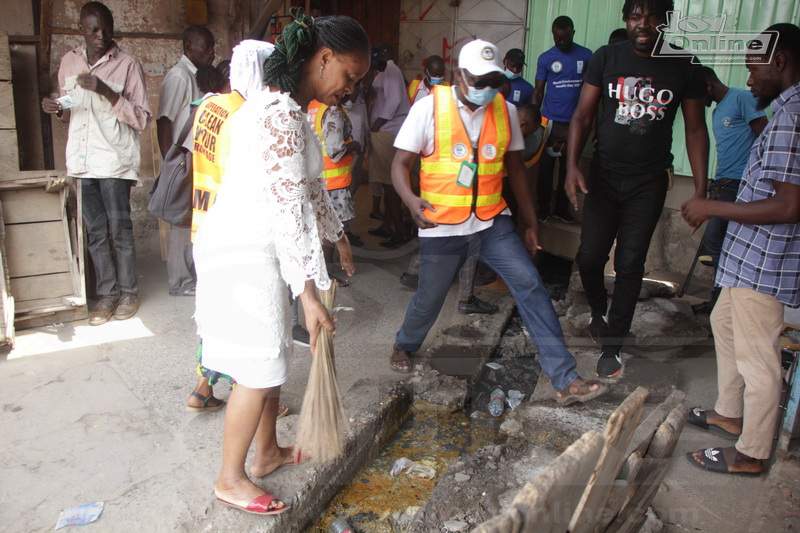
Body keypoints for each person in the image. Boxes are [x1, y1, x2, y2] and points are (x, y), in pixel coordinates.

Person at [192, 10, 367, 514]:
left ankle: (266, 453)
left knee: (271, 359)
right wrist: (308, 294)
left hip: (252, 246)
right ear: (325, 58)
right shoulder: (282, 116)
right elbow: (289, 210)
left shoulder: (285, 108)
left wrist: (339, 237)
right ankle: (230, 477)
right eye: (349, 76)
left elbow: (309, 191)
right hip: (245, 252)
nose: (350, 89)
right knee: (260, 365)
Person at [388, 39, 606, 405]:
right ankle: (404, 344)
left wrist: (531, 223)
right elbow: (399, 164)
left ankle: (564, 378)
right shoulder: (429, 108)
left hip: (491, 223)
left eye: (494, 81)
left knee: (529, 284)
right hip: (442, 226)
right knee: (430, 298)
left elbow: (517, 171)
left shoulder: (505, 110)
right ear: (460, 75)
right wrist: (410, 200)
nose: (487, 89)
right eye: (479, 81)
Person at [565, 0, 709, 378]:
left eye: (652, 16)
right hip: (604, 174)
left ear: (667, 22)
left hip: (649, 179)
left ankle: (614, 343)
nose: (643, 24)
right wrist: (571, 167)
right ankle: (598, 310)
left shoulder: (685, 65)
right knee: (590, 257)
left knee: (630, 263)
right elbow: (581, 115)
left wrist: (700, 190)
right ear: (626, 20)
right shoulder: (607, 57)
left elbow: (695, 129)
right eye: (635, 16)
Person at [681, 23, 800, 477]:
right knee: (722, 320)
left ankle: (750, 452)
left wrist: (712, 204)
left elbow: (790, 205)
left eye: (754, 69)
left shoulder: (792, 117)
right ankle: (729, 413)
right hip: (746, 258)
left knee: (758, 356)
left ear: (780, 61)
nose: (749, 81)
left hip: (765, 262)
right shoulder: (784, 112)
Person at [186, 40, 291, 417]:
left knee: (218, 314)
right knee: (244, 320)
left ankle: (202, 387)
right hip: (234, 231)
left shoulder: (209, 106)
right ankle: (254, 398)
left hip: (204, 221)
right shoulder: (247, 118)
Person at [41, 2, 150, 326]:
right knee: (96, 234)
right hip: (83, 163)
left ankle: (128, 292)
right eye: (94, 30)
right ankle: (107, 295)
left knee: (120, 230)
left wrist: (105, 90)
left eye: (106, 28)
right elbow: (71, 105)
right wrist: (57, 108)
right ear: (81, 30)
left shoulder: (127, 65)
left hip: (114, 162)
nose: (101, 35)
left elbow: (141, 118)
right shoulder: (70, 62)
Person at [691, 67, 767, 315]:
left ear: (709, 86)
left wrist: (758, 179)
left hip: (741, 183)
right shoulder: (716, 110)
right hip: (724, 181)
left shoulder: (742, 98)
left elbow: (764, 137)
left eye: (697, 93)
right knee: (717, 244)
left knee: (715, 241)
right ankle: (719, 301)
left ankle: (724, 302)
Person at [157, 25, 216, 297]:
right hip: (181, 159)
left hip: (192, 160)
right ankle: (180, 282)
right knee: (181, 222)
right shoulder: (180, 77)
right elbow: (165, 121)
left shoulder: (195, 76)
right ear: (189, 46)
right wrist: (172, 162)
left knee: (191, 219)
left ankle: (189, 277)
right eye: (207, 46)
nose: (212, 52)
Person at [533, 16, 593, 224]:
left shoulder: (586, 56)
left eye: (565, 38)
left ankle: (561, 209)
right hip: (550, 123)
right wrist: (534, 119)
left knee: (569, 168)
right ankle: (543, 209)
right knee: (546, 170)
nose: (561, 42)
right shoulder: (545, 58)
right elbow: (538, 91)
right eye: (558, 38)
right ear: (553, 35)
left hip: (575, 125)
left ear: (573, 33)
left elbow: (593, 91)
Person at [308, 97, 363, 276]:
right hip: (334, 181)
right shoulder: (332, 113)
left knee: (322, 228)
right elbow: (335, 151)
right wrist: (356, 145)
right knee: (332, 230)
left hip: (317, 177)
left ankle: (323, 270)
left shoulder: (313, 106)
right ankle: (328, 273)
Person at [367, 44, 413, 247]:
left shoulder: (391, 70)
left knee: (390, 183)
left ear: (386, 55)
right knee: (384, 181)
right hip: (384, 131)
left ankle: (399, 231)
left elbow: (393, 101)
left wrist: (377, 125)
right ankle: (387, 225)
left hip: (388, 130)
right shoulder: (383, 72)